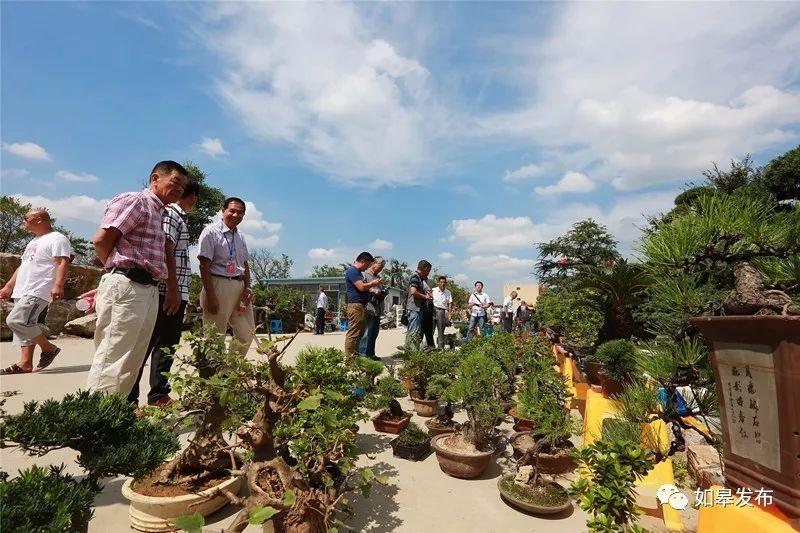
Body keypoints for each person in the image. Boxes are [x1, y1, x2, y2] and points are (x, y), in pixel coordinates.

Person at [87, 161, 188, 393]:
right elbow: (102, 240)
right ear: (155, 178)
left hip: (148, 288)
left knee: (133, 359)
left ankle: (118, 418)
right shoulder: (136, 201)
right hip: (128, 283)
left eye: (182, 187)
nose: (179, 190)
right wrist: (117, 271)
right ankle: (97, 422)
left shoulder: (159, 212)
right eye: (175, 183)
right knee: (113, 357)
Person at [127, 180, 199, 407]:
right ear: (192, 196)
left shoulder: (177, 216)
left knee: (166, 344)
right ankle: (129, 399)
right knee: (147, 344)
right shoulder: (170, 214)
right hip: (166, 290)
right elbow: (166, 247)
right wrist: (172, 288)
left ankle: (158, 394)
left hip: (174, 290)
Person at [0, 209, 72, 374]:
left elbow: (62, 262)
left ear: (39, 219)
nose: (23, 222)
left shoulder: (58, 239)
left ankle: (48, 348)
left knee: (16, 321)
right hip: (23, 288)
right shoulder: (34, 240)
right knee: (25, 326)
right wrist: (9, 286)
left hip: (39, 288)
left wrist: (59, 285)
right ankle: (25, 364)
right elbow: (24, 264)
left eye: (25, 218)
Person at [198, 197, 255, 356]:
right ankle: (212, 377)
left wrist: (248, 287)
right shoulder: (210, 232)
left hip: (239, 286)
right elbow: (204, 265)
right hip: (218, 284)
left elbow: (245, 265)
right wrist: (211, 296)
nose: (236, 215)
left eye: (241, 213)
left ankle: (227, 373)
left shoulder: (240, 236)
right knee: (215, 337)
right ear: (223, 211)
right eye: (232, 211)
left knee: (246, 334)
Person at [344, 252, 380, 357]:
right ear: (362, 261)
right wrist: (373, 284)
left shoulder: (358, 272)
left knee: (359, 333)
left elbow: (362, 289)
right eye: (368, 265)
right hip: (355, 306)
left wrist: (371, 291)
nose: (368, 268)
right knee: (354, 334)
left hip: (360, 306)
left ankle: (355, 356)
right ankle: (351, 358)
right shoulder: (353, 271)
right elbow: (361, 287)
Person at [362, 256, 387, 360]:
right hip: (369, 308)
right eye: (380, 266)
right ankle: (363, 355)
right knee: (367, 333)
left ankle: (371, 354)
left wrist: (383, 291)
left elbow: (379, 290)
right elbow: (362, 287)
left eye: (382, 267)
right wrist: (373, 290)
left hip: (377, 309)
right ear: (373, 263)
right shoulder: (364, 274)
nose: (381, 269)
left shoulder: (378, 277)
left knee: (374, 333)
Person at [406, 260, 433, 345]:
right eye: (428, 271)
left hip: (418, 309)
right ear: (425, 269)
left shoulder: (420, 279)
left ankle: (411, 352)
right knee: (413, 333)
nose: (428, 273)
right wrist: (425, 297)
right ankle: (411, 353)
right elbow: (413, 292)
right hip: (414, 309)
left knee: (416, 332)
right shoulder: (415, 277)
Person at [432, 275, 453, 349]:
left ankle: (440, 348)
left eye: (444, 282)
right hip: (433, 310)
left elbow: (450, 303)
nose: (442, 284)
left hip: (442, 312)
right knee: (431, 330)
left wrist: (449, 314)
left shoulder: (448, 292)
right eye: (441, 282)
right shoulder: (433, 290)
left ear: (446, 283)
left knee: (441, 331)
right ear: (438, 283)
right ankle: (430, 347)